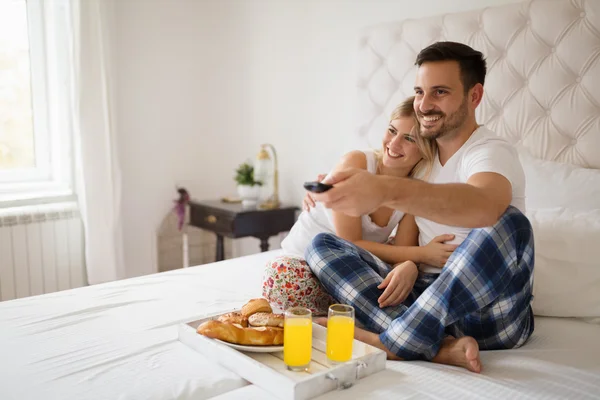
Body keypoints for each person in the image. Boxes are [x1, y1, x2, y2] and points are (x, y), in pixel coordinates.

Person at [306, 41, 534, 374]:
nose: (424, 105)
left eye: (440, 92)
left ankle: (391, 342)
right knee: (323, 246)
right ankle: (439, 348)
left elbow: (484, 206)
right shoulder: (423, 164)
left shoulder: (490, 152)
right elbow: (407, 242)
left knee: (511, 223)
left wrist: (385, 190)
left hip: (487, 314)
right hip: (424, 302)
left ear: (474, 96)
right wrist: (412, 262)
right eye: (419, 91)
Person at [262, 97, 457, 315]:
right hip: (301, 263)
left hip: (349, 271)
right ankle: (361, 312)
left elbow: (402, 253)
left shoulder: (412, 191)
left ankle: (359, 312)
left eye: (409, 139)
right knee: (280, 277)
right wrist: (423, 255)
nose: (393, 144)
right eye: (392, 131)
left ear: (425, 149)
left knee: (399, 284)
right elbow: (350, 242)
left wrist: (409, 265)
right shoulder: (357, 162)